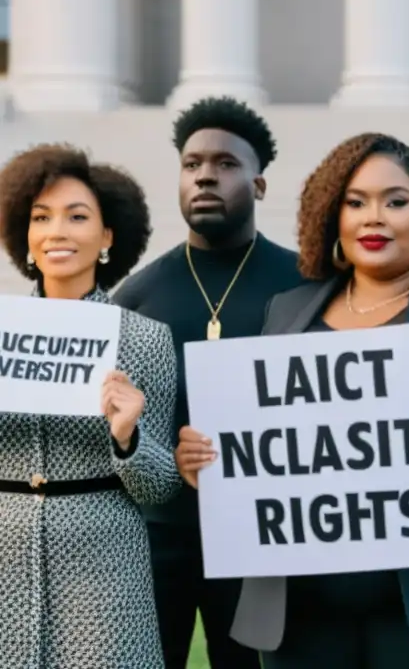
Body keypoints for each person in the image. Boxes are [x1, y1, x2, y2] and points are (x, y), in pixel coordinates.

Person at [176, 133, 409, 668]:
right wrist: (208, 460)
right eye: (355, 202)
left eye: (396, 202)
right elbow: (260, 441)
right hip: (302, 621)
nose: (374, 217)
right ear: (334, 217)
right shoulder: (283, 313)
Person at [113, 96, 305, 669]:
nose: (204, 175)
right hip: (158, 538)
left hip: (261, 539)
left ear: (260, 184)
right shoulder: (137, 295)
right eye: (192, 163)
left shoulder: (306, 285)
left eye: (225, 164)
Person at [0, 144, 180, 668]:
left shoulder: (145, 340)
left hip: (105, 575)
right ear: (25, 238)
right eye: (41, 217)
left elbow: (162, 484)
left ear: (106, 237)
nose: (58, 231)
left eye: (77, 217)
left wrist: (128, 436)